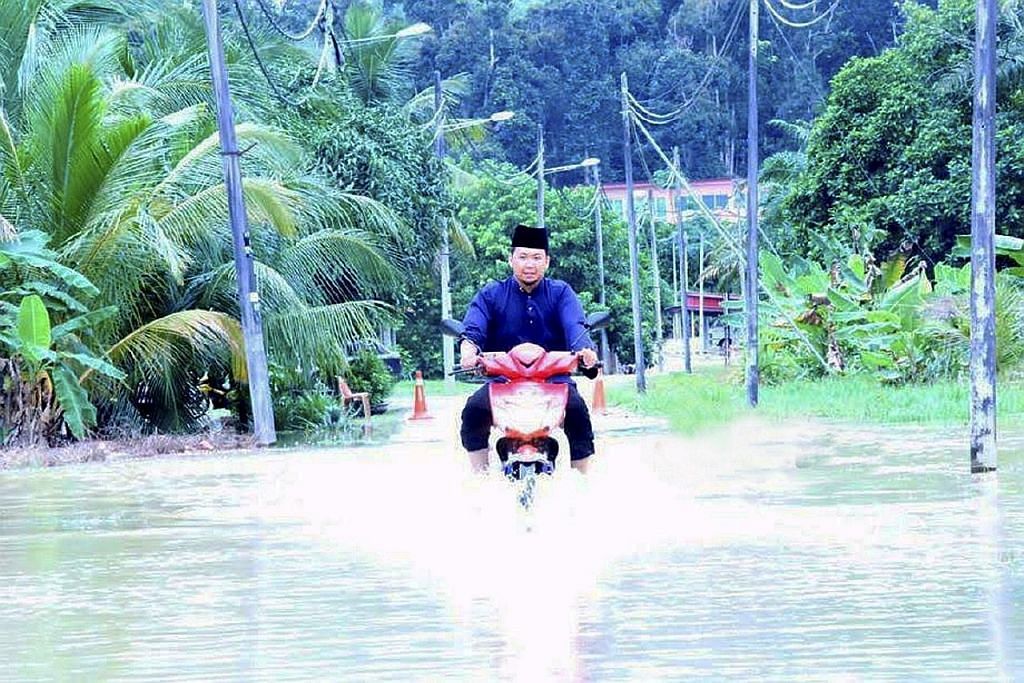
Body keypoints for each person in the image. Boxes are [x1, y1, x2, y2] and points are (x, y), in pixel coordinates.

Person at [458, 224, 599, 474]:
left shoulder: (561, 292)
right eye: (522, 257)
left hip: (554, 380)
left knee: (577, 411)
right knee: (473, 410)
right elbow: (474, 326)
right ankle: (479, 475)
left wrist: (585, 351)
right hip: (503, 380)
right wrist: (469, 350)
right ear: (511, 259)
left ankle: (581, 479)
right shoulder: (491, 294)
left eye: (536, 257)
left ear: (547, 261)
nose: (529, 264)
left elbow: (575, 326)